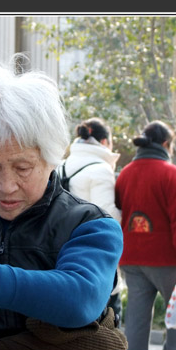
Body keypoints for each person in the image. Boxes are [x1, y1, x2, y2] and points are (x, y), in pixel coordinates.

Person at [0, 65, 125, 350]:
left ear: (52, 159)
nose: (6, 185)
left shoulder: (90, 225)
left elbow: (81, 300)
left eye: (23, 167)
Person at [115, 120, 176, 350]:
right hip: (165, 260)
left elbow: (119, 206)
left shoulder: (125, 173)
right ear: (166, 144)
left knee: (135, 319)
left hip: (131, 258)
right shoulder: (170, 174)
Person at [60, 117, 124, 323]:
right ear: (105, 142)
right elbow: (108, 217)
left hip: (60, 249)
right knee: (107, 323)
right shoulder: (101, 169)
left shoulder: (61, 165)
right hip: (92, 256)